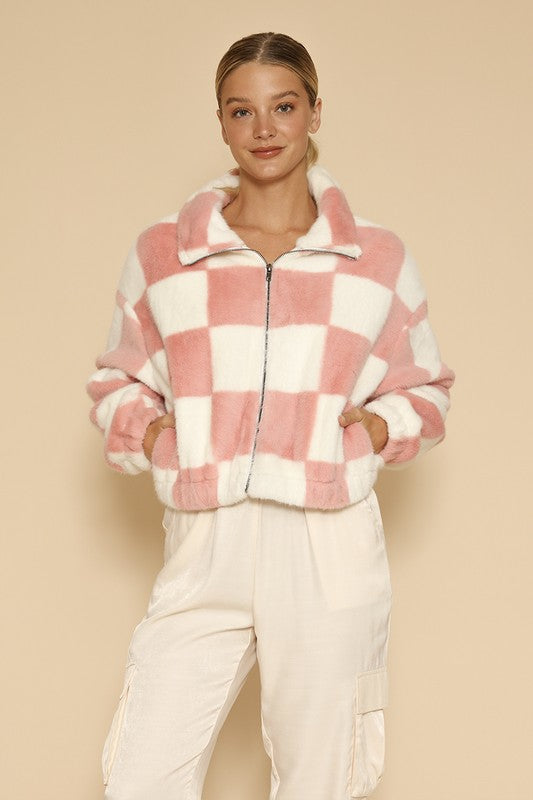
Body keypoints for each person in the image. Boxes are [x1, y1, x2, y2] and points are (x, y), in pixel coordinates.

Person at [86, 31, 455, 800]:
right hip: (206, 536)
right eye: (241, 110)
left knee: (321, 777)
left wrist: (374, 429)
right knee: (142, 774)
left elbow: (424, 388)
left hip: (326, 538)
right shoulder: (164, 253)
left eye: (283, 107)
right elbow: (119, 378)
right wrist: (156, 435)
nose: (263, 129)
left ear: (315, 113)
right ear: (220, 121)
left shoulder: (375, 258)